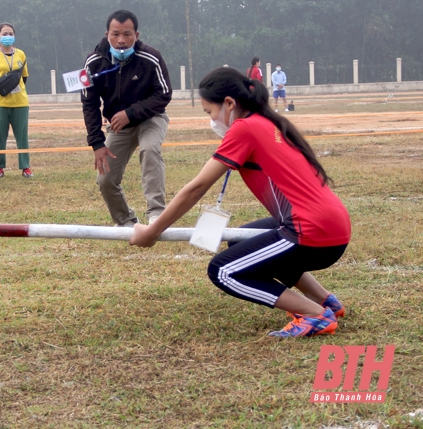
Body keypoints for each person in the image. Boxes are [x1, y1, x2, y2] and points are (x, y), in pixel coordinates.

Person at [130, 67, 350, 338]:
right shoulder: (267, 122)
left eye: (209, 112)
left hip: (313, 233)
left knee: (223, 271)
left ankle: (314, 315)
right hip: (332, 224)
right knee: (239, 243)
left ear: (230, 104)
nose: (210, 120)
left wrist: (152, 231)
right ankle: (325, 300)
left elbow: (196, 188)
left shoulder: (245, 128)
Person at [81, 10, 172, 226]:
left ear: (137, 35)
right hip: (117, 126)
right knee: (105, 179)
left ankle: (157, 213)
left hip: (150, 118)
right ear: (107, 35)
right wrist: (97, 143)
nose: (121, 40)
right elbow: (89, 103)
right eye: (115, 34)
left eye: (127, 34)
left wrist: (130, 113)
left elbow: (164, 94)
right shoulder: (92, 63)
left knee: (149, 149)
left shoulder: (151, 57)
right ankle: (125, 222)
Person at [0, 23, 32, 179]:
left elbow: (24, 78)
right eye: (4, 34)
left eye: (10, 33)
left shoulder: (21, 54)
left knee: (22, 136)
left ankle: (25, 167)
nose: (7, 36)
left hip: (20, 103)